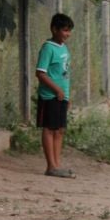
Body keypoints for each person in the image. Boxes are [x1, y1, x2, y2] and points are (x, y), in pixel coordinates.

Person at [36, 13, 75, 178]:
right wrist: (57, 90)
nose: (67, 34)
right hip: (49, 96)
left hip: (61, 96)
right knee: (49, 129)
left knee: (59, 130)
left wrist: (66, 95)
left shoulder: (63, 47)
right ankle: (50, 166)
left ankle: (57, 165)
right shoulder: (48, 48)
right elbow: (40, 73)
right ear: (54, 29)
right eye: (64, 30)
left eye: (69, 30)